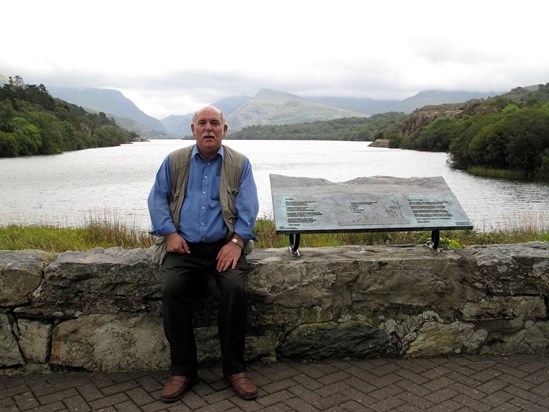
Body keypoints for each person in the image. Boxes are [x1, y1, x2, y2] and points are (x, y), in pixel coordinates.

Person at [147, 106, 260, 403]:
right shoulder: (174, 161)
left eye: (214, 123)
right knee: (172, 290)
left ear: (225, 128)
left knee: (235, 289)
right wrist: (170, 233)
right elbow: (157, 198)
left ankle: (234, 369)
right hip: (182, 246)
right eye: (202, 123)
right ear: (193, 128)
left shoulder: (240, 163)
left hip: (224, 245)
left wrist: (236, 241)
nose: (208, 128)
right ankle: (183, 371)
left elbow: (249, 208)